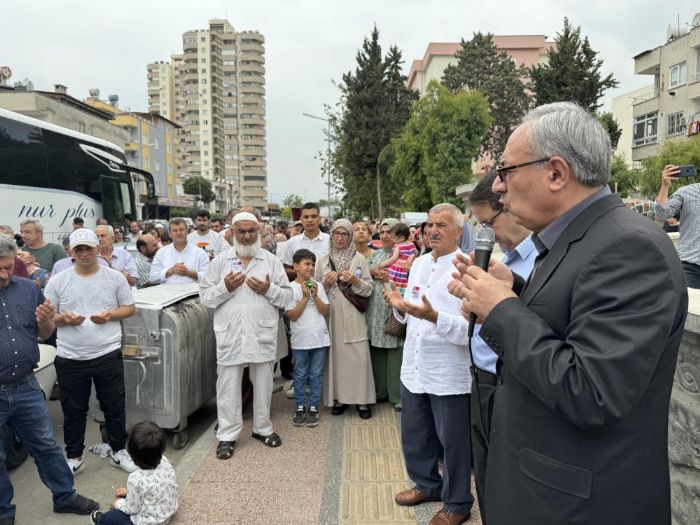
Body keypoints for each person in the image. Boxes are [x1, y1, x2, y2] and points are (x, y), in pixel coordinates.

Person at [451, 102, 688, 525]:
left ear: (556, 173)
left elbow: (592, 391)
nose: (499, 188)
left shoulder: (629, 248)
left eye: (506, 171)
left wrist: (501, 309)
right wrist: (512, 291)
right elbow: (566, 322)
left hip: (575, 505)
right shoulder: (577, 237)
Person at [0, 234, 101, 524]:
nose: (5, 274)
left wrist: (46, 319)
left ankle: (65, 496)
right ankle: (4, 511)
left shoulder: (29, 290)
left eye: (9, 267)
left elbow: (44, 334)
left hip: (25, 385)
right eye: (0, 268)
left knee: (45, 445)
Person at [384, 203, 474, 525]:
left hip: (449, 372)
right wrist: (398, 305)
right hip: (415, 368)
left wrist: (435, 318)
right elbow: (411, 313)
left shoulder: (468, 269)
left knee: (452, 443)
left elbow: (473, 332)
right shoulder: (420, 263)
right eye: (429, 225)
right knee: (415, 435)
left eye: (441, 225)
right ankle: (427, 484)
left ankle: (458, 503)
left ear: (458, 231)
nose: (432, 231)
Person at [466, 171, 537, 523]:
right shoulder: (502, 260)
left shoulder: (540, 261)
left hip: (511, 382)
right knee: (485, 470)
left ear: (506, 208)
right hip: (481, 379)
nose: (484, 234)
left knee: (509, 477)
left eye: (487, 223)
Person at [44, 229, 138, 476]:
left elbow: (129, 308)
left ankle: (118, 450)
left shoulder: (114, 277)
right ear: (71, 252)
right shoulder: (58, 281)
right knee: (73, 410)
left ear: (99, 248)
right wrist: (64, 318)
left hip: (106, 352)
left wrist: (109, 314)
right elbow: (48, 316)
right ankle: (74, 456)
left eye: (89, 248)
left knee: (114, 405)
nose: (84, 253)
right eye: (79, 249)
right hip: (70, 356)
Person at [199, 212, 292, 459]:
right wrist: (225, 288)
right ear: (232, 232)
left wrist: (268, 289)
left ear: (260, 231)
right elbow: (205, 298)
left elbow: (287, 297)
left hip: (261, 332)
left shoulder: (271, 261)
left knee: (263, 384)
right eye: (242, 231)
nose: (248, 236)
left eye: (252, 230)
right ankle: (227, 436)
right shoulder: (220, 261)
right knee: (228, 385)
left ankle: (262, 428)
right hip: (230, 334)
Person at [315, 219, 375, 419]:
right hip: (331, 316)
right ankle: (339, 398)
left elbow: (368, 289)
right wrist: (325, 283)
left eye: (344, 234)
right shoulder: (323, 260)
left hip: (353, 315)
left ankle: (362, 401)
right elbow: (312, 288)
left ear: (350, 237)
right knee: (336, 358)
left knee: (358, 356)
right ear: (331, 235)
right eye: (336, 234)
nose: (340, 238)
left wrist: (355, 281)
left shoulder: (359, 259)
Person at [89, 422, 177, 525]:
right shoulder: (165, 462)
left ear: (133, 458)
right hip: (167, 514)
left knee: (111, 516)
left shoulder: (135, 479)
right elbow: (152, 488)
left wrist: (117, 503)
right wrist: (129, 492)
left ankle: (101, 521)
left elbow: (131, 509)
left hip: (149, 522)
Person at [286, 249, 330, 427]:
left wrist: (315, 295)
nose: (311, 268)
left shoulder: (317, 285)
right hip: (300, 340)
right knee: (300, 374)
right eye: (307, 264)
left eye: (312, 264)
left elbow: (326, 311)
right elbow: (292, 315)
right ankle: (299, 407)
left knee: (316, 375)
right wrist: (305, 298)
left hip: (320, 337)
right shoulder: (290, 288)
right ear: (296, 266)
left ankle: (313, 407)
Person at [367, 218, 404, 411]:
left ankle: (396, 395)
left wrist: (389, 279)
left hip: (394, 310)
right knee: (377, 352)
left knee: (395, 353)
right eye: (382, 232)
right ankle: (379, 392)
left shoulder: (405, 255)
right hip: (375, 310)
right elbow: (363, 277)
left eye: (390, 231)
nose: (385, 235)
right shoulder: (375, 255)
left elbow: (407, 280)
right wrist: (372, 273)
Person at [655, 163, 700, 288]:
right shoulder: (686, 192)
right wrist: (664, 186)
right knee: (688, 306)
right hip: (689, 266)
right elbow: (661, 215)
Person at [149, 218, 209, 284]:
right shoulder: (161, 253)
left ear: (187, 232)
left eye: (181, 230)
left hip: (193, 293)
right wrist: (170, 271)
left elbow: (208, 278)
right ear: (170, 234)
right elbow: (152, 278)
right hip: (167, 292)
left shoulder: (200, 253)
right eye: (175, 230)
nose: (178, 233)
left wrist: (189, 273)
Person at [282, 203, 329, 280]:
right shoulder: (292, 242)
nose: (310, 220)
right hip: (300, 289)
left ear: (319, 219)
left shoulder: (329, 241)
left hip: (326, 289)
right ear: (301, 220)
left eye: (313, 216)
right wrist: (302, 273)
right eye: (306, 217)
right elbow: (286, 269)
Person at [378, 223, 416, 297]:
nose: (392, 240)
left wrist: (384, 264)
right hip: (409, 266)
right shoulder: (412, 244)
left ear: (401, 237)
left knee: (395, 283)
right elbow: (415, 253)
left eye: (394, 238)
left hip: (400, 269)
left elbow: (393, 258)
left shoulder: (398, 247)